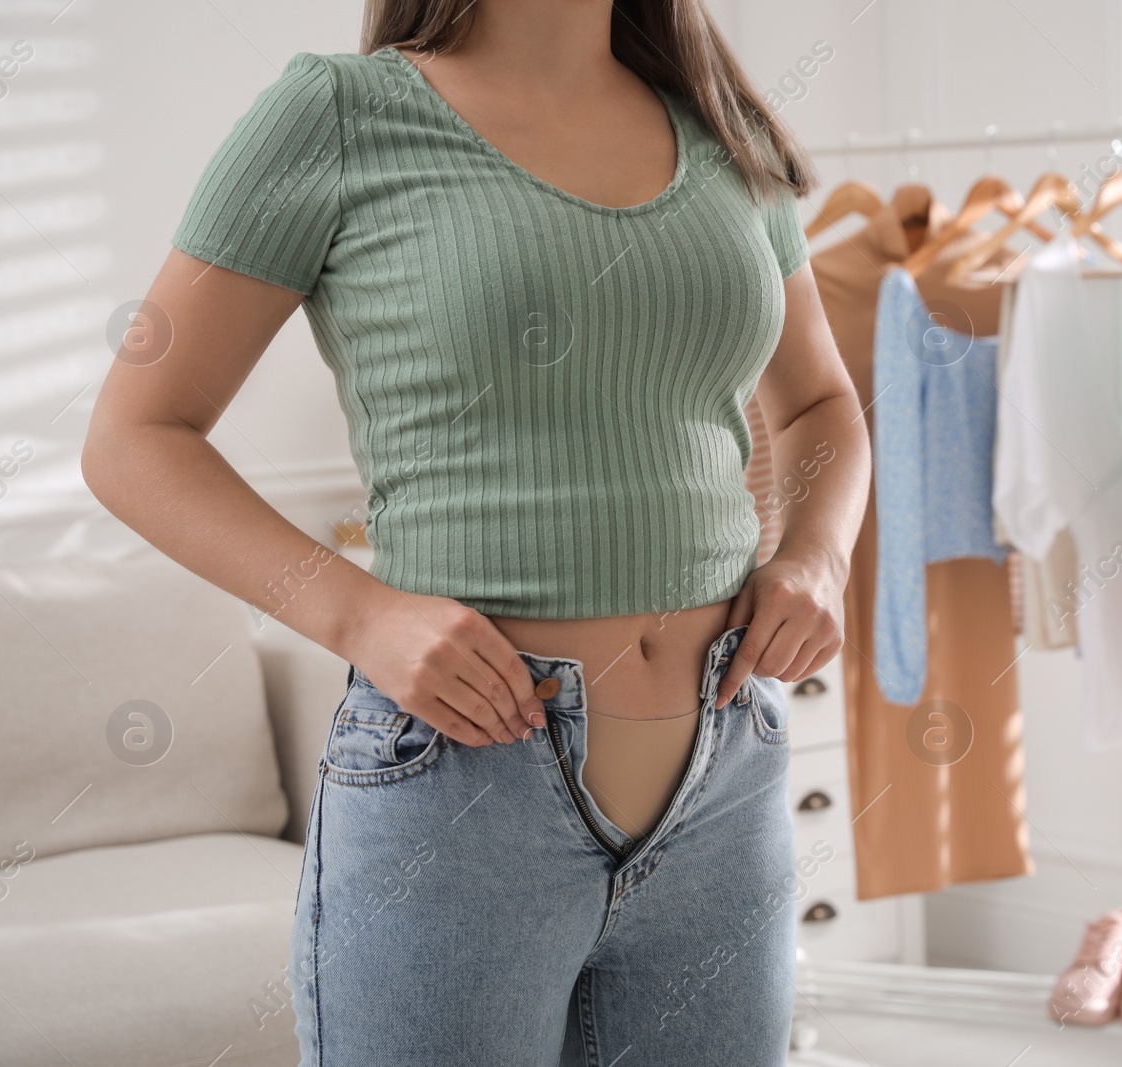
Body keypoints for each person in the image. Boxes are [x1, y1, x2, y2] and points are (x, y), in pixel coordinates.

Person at [82, 0, 869, 1063]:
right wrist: (360, 612)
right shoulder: (337, 114)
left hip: (726, 782)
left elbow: (821, 402)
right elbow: (135, 436)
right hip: (459, 790)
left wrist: (816, 554)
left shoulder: (718, 126)